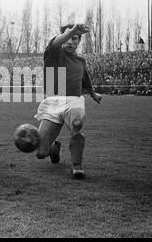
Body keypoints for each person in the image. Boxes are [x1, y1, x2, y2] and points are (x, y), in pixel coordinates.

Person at [32, 23, 102, 179]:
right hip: (53, 102)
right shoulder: (53, 53)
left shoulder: (81, 61)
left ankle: (77, 166)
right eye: (68, 38)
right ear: (63, 39)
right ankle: (54, 148)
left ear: (78, 42)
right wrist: (71, 31)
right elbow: (54, 42)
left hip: (73, 101)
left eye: (74, 38)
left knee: (77, 124)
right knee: (40, 152)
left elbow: (85, 80)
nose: (70, 42)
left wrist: (93, 94)